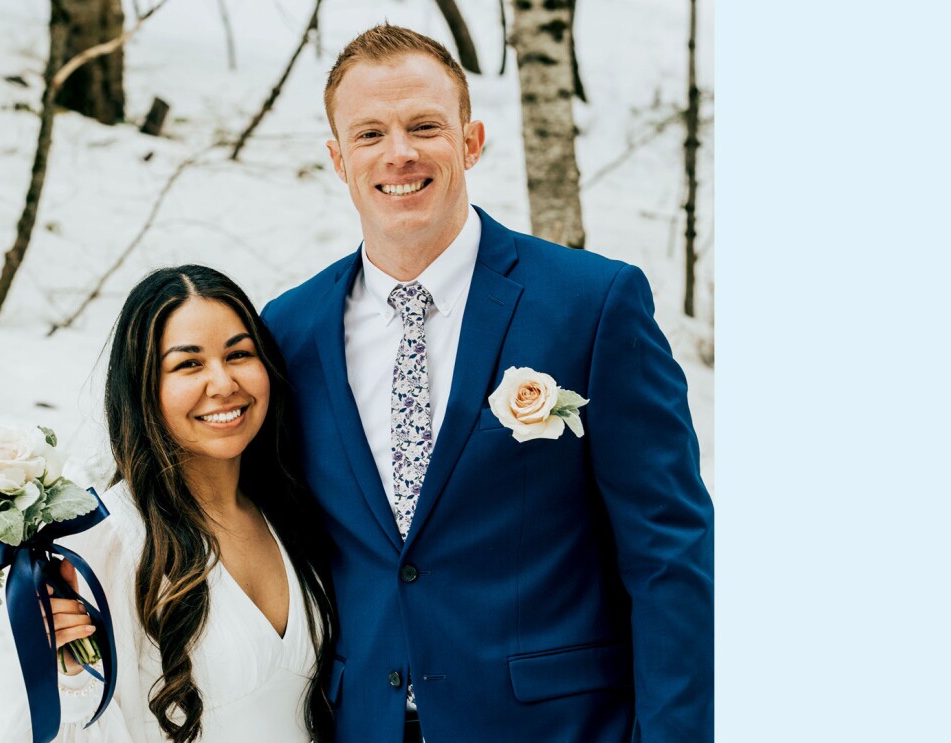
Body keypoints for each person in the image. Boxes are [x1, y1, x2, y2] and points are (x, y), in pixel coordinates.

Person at [260, 25, 714, 743]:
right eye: (370, 133)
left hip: (560, 725)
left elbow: (669, 552)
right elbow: (246, 522)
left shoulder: (592, 305)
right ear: (338, 158)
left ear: (470, 142)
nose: (399, 153)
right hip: (360, 723)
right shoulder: (288, 331)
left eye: (424, 126)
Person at [19, 265, 336, 743]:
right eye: (189, 364)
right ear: (143, 385)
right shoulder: (110, 542)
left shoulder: (289, 509)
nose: (224, 382)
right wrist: (70, 673)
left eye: (239, 354)